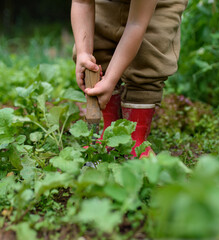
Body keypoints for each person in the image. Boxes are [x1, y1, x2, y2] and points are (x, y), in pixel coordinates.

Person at [71, 0, 188, 158]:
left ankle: (136, 138)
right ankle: (111, 131)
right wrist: (83, 53)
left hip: (158, 6)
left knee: (148, 57)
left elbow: (137, 24)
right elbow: (82, 2)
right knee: (98, 41)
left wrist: (110, 80)